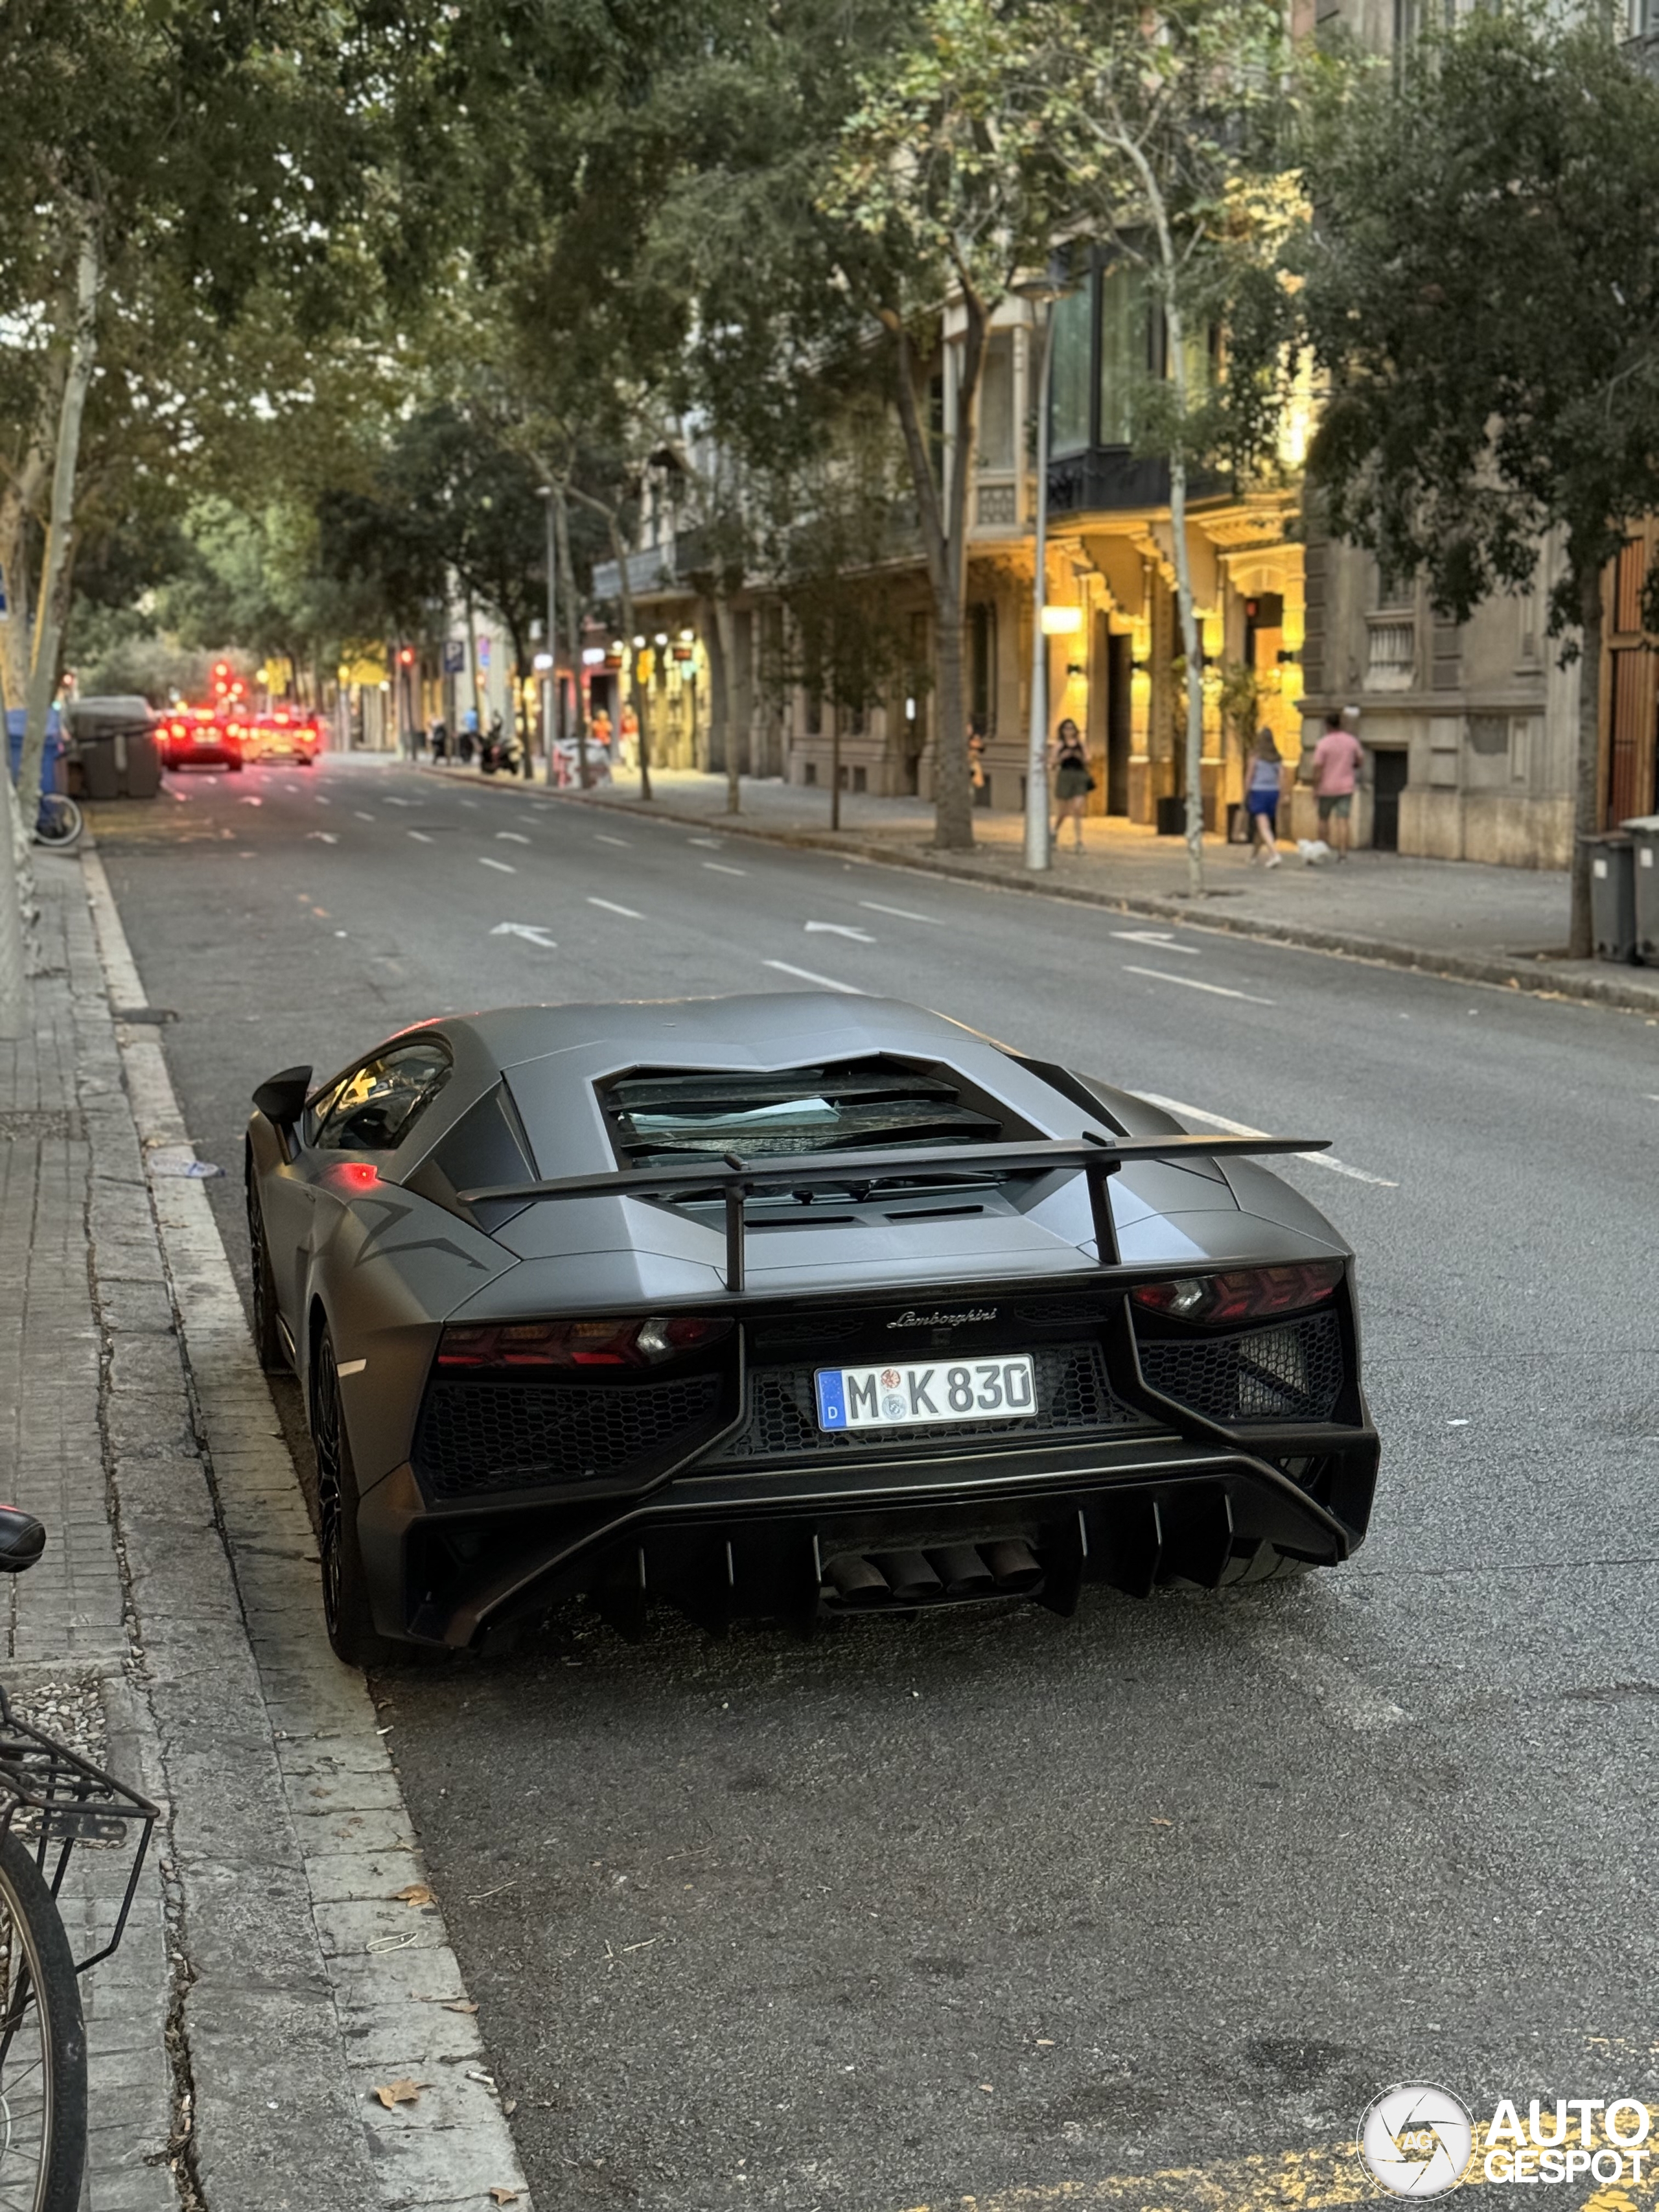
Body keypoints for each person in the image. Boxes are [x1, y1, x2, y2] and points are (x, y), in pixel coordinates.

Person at [1310, 708, 1366, 859]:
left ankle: (1322, 850)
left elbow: (1317, 767)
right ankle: (1343, 853)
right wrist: (1352, 766)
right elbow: (1360, 760)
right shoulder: (1351, 741)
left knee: (1323, 819)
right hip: (1346, 786)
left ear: (1327, 725)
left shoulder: (1323, 744)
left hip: (1326, 788)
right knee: (1343, 820)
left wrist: (1315, 788)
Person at [1243, 728, 1284, 868]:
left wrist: (1245, 794)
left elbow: (1249, 776)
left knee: (1263, 826)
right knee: (1261, 828)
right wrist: (1283, 794)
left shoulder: (1255, 756)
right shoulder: (1277, 758)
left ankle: (1274, 854)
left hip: (1259, 791)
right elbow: (1282, 777)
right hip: (1273, 792)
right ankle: (1254, 855)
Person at [1049, 717, 1091, 852]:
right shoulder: (1060, 745)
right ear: (1062, 731)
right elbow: (1053, 763)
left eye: (1072, 728)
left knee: (1077, 809)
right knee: (1064, 811)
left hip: (1079, 775)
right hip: (1065, 776)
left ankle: (1079, 841)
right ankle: (1054, 832)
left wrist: (1081, 757)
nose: (1069, 731)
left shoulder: (1080, 744)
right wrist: (1062, 757)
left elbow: (1088, 759)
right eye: (1066, 728)